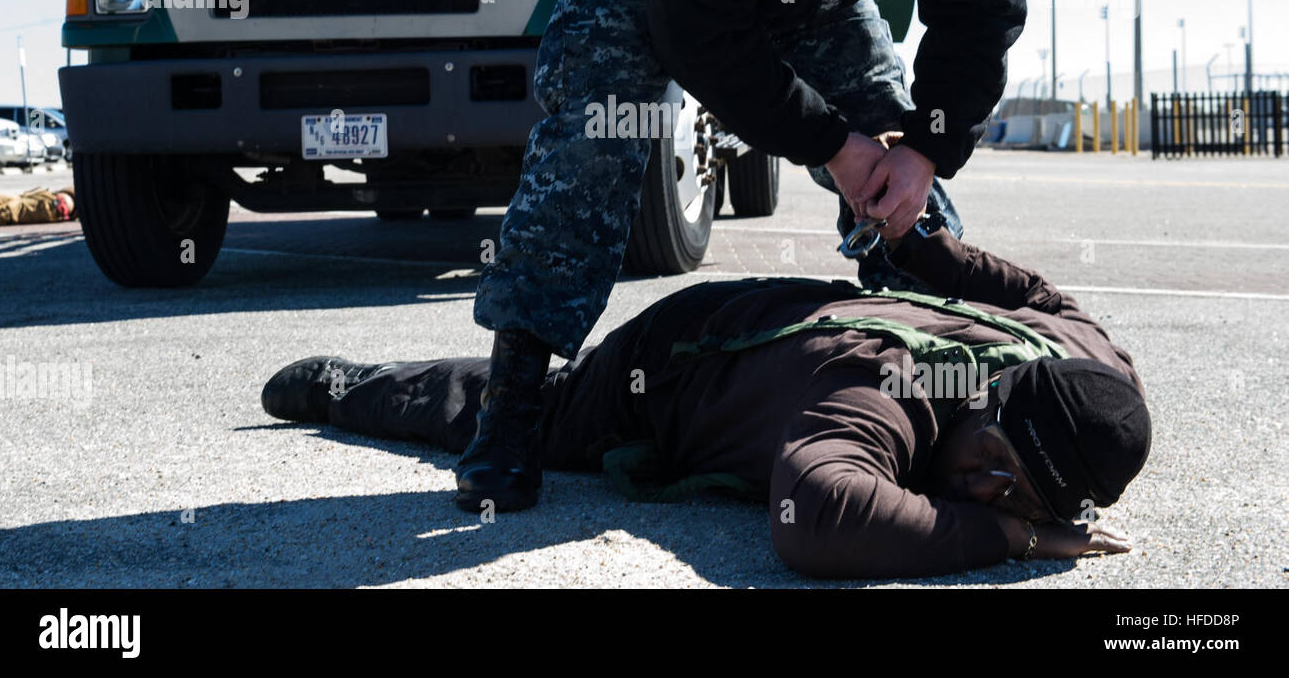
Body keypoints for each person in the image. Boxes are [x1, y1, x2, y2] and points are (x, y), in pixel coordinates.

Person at [461, 0, 1028, 513]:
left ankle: (946, 380)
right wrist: (830, 146)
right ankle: (514, 406)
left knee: (890, 150)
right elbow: (704, 42)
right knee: (593, 140)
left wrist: (926, 146)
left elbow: (981, 10)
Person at [263, 226, 1149, 578]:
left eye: (1021, 494)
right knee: (519, 413)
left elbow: (1034, 293)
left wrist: (923, 249)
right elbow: (817, 515)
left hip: (795, 323)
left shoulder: (1091, 367)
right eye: (992, 457)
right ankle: (349, 386)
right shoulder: (896, 388)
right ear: (990, 391)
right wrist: (1015, 537)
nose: (984, 483)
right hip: (674, 363)